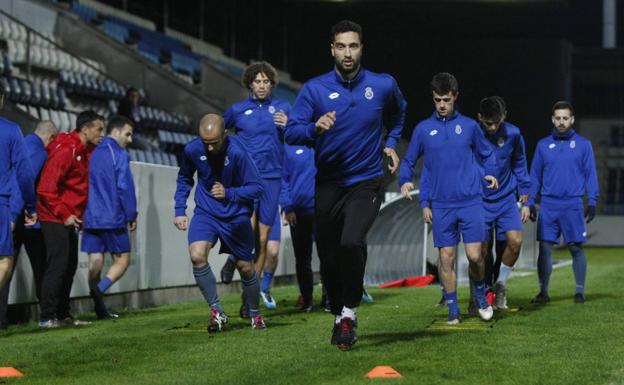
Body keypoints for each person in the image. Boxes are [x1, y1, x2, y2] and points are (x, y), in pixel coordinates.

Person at [285, 20, 406, 350]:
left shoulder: (382, 85)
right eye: (341, 46)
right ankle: (339, 312)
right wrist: (315, 128)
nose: (348, 53)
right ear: (332, 50)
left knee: (352, 241)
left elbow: (399, 113)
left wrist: (391, 142)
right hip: (328, 185)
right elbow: (291, 132)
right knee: (328, 257)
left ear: (361, 48)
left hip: (366, 181)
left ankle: (349, 313)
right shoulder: (314, 90)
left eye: (353, 46)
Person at [399, 72, 498, 325]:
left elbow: (488, 154)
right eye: (437, 100)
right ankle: (453, 309)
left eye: (446, 99)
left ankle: (479, 293)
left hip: (471, 201)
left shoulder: (469, 127)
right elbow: (409, 160)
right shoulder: (423, 129)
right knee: (446, 258)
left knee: (476, 256)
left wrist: (491, 174)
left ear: (455, 97)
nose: (442, 105)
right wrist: (405, 179)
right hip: (442, 205)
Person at [174, 114, 266, 331]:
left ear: (225, 134)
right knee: (197, 255)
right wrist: (180, 210)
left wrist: (229, 193)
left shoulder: (238, 152)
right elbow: (184, 178)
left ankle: (254, 312)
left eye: (214, 143)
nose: (210, 148)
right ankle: (217, 311)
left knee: (245, 268)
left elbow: (257, 187)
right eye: (205, 143)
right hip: (206, 213)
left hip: (236, 216)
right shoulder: (192, 150)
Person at [220, 61, 291, 286]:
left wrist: (289, 125)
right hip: (246, 178)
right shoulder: (237, 110)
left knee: (262, 238)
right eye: (257, 81)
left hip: (272, 178)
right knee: (247, 227)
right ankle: (233, 257)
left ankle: (250, 294)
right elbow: (217, 132)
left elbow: (301, 134)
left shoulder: (283, 108)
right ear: (250, 83)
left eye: (266, 82)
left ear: (272, 84)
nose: (262, 85)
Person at [37, 110, 105, 328]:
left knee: (69, 265)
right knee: (58, 266)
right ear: (85, 129)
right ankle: (48, 317)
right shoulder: (67, 149)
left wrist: (76, 215)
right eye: (99, 129)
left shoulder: (83, 150)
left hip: (68, 217)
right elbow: (46, 189)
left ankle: (63, 315)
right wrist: (65, 214)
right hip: (54, 217)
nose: (102, 134)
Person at [528, 101, 599, 304]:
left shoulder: (584, 145)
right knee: (545, 249)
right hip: (549, 205)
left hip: (573, 205)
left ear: (572, 119)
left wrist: (592, 201)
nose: (561, 122)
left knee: (576, 248)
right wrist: (530, 201)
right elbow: (535, 176)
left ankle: (579, 291)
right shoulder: (543, 145)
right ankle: (543, 292)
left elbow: (590, 174)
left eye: (565, 118)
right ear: (552, 119)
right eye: (558, 118)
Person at [0, 121, 58, 329]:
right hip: (20, 219)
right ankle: (48, 314)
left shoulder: (21, 140)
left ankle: (1, 320)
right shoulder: (36, 151)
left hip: (11, 212)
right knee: (30, 267)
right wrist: (15, 215)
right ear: (51, 138)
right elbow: (21, 179)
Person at [475, 96, 531, 310]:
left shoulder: (514, 134)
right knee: (480, 250)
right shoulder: (472, 134)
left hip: (507, 198)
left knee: (515, 242)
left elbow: (519, 162)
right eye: (488, 123)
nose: (493, 127)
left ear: (504, 116)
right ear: (480, 118)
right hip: (480, 199)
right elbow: (466, 163)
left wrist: (525, 194)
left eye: (496, 122)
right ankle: (479, 292)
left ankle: (500, 286)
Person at [82, 116, 137, 319]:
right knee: (121, 261)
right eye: (128, 134)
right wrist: (131, 214)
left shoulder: (90, 151)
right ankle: (100, 290)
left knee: (95, 261)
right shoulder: (119, 154)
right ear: (115, 132)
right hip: (113, 216)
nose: (130, 139)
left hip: (90, 216)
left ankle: (100, 308)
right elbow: (124, 187)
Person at [0, 85, 37, 306]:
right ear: (2, 99)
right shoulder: (11, 130)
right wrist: (31, 206)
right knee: (4, 259)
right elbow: (24, 173)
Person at [280, 144, 316, 312]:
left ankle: (330, 298)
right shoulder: (287, 149)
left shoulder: (319, 142)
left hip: (322, 210)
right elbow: (283, 180)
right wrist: (288, 207)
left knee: (329, 255)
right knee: (302, 259)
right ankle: (307, 299)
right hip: (298, 213)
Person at [259, 208, 281, 309]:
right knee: (250, 251)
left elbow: (281, 191)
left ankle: (265, 288)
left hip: (270, 209)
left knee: (273, 252)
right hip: (250, 205)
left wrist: (287, 206)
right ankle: (247, 299)